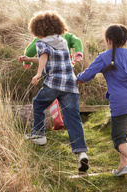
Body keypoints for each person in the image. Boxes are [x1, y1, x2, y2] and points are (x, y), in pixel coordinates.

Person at [77, 24, 127, 176]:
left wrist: (78, 78)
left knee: (118, 140)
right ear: (126, 40)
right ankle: (123, 165)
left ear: (109, 40)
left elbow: (86, 76)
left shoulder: (104, 57)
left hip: (120, 104)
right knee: (123, 134)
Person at [20, 10, 89, 172]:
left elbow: (44, 55)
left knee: (38, 103)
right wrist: (30, 59)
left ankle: (38, 134)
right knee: (73, 119)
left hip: (54, 83)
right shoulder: (62, 41)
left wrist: (38, 74)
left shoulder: (41, 42)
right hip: (70, 86)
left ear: (38, 29)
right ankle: (82, 153)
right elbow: (49, 57)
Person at [19, 30, 83, 130]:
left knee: (50, 93)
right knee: (66, 95)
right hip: (67, 70)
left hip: (51, 73)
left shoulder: (41, 38)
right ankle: (68, 123)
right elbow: (78, 41)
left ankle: (57, 119)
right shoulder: (67, 36)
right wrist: (78, 54)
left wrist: (27, 62)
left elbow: (30, 50)